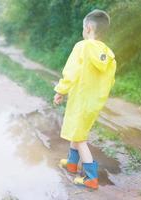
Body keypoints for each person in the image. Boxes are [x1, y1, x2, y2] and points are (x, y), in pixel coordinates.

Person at [53, 9, 116, 189]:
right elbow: (109, 81)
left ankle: (91, 178)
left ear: (88, 28)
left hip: (80, 100)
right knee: (78, 131)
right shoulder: (109, 55)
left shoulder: (82, 46)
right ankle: (72, 163)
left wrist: (61, 90)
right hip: (94, 103)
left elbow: (70, 72)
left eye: (83, 28)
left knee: (80, 138)